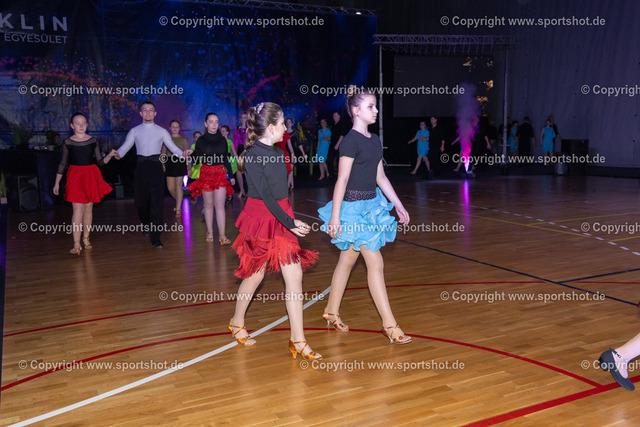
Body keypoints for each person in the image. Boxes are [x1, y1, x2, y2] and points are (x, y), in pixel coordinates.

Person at [318, 87, 412, 345]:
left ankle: (331, 312)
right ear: (356, 110)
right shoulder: (350, 141)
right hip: (352, 210)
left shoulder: (374, 139)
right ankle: (390, 325)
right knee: (375, 262)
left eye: (376, 105)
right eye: (371, 106)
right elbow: (342, 179)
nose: (376, 110)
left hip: (371, 207)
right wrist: (335, 217)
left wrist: (399, 205)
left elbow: (380, 177)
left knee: (347, 260)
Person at [229, 101, 321, 360]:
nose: (285, 128)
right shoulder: (252, 156)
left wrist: (290, 220)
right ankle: (237, 321)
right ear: (270, 127)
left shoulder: (280, 153)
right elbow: (267, 197)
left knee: (295, 277)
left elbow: (281, 196)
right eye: (282, 124)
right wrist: (290, 222)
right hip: (260, 219)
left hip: (282, 217)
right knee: (254, 276)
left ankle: (298, 340)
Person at [117, 102, 190, 248]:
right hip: (141, 167)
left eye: (151, 110)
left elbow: (172, 148)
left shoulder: (161, 131)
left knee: (157, 202)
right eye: (145, 110)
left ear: (155, 113)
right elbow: (124, 148)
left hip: (156, 167)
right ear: (141, 113)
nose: (148, 112)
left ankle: (156, 237)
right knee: (141, 202)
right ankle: (145, 223)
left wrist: (182, 154)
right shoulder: (135, 131)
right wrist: (117, 154)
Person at [53, 112, 117, 254]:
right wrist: (57, 183)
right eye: (78, 123)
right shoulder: (68, 142)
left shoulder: (93, 141)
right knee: (78, 209)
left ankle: (86, 238)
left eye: (83, 123)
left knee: (88, 209)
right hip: (75, 176)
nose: (81, 126)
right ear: (72, 126)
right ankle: (76, 243)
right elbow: (62, 164)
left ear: (87, 125)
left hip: (90, 175)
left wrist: (110, 155)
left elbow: (100, 162)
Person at [186, 113, 235, 244]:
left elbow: (226, 159)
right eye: (211, 122)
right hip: (206, 173)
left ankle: (222, 235)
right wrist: (191, 154)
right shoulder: (201, 140)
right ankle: (209, 232)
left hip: (220, 173)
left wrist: (231, 176)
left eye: (216, 122)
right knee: (208, 205)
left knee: (220, 205)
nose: (214, 124)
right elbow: (197, 160)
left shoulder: (222, 140)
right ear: (206, 124)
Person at [162, 120, 189, 216]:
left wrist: (189, 167)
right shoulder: (167, 139)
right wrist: (163, 164)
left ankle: (178, 209)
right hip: (169, 162)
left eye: (177, 127)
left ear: (179, 128)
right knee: (170, 187)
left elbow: (187, 154)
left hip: (180, 162)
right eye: (173, 127)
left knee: (178, 185)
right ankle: (179, 200)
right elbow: (163, 152)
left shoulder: (183, 140)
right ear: (170, 128)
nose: (175, 129)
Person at [220, 124, 245, 198]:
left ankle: (231, 193)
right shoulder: (218, 142)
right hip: (220, 160)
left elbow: (234, 153)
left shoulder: (229, 142)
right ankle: (224, 194)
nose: (222, 132)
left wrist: (239, 161)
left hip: (228, 160)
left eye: (223, 131)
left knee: (229, 177)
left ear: (227, 132)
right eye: (221, 131)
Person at [274, 121, 294, 190]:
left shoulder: (286, 134)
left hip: (284, 154)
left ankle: (288, 185)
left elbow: (290, 146)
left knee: (289, 170)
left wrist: (293, 155)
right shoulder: (275, 134)